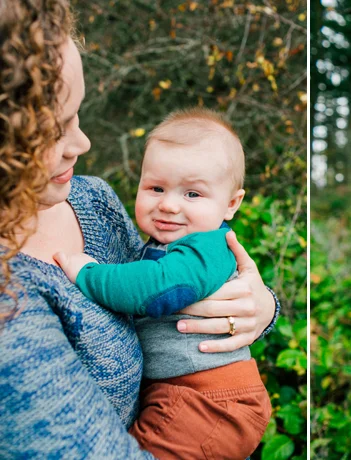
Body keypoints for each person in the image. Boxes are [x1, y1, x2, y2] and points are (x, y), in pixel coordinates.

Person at [0, 2, 279, 457]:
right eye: (56, 129)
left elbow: (158, 293)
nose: (83, 143)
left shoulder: (90, 199)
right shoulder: (11, 306)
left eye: (79, 115)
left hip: (203, 401)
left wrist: (261, 306)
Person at [56, 109, 271, 458]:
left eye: (192, 195)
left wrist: (88, 274)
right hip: (186, 396)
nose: (168, 205)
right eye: (156, 188)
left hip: (204, 399)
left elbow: (156, 288)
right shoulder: (165, 244)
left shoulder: (209, 247)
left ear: (231, 204)